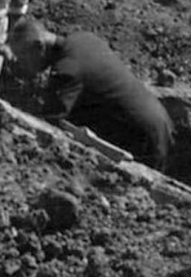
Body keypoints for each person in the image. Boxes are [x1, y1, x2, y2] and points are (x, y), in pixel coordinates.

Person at [9, 19, 175, 171]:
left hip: (143, 136)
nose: (22, 65)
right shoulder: (83, 39)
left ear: (39, 46)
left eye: (22, 57)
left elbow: (48, 125)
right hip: (159, 120)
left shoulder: (68, 69)